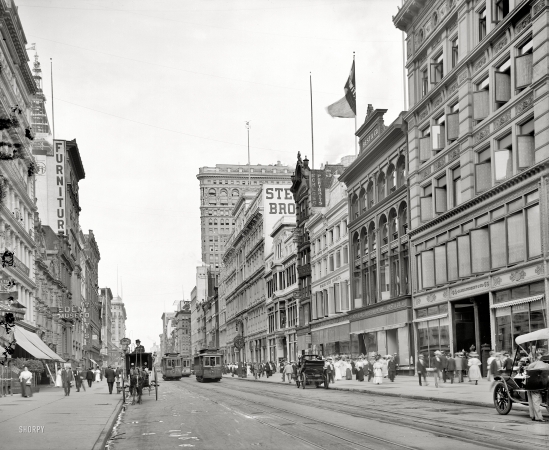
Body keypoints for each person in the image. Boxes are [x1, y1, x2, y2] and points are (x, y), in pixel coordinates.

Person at [527, 348, 549, 422]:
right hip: (541, 384)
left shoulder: (537, 363)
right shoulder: (547, 365)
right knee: (536, 400)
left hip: (532, 384)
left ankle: (533, 416)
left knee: (533, 400)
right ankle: (538, 417)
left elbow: (528, 368)